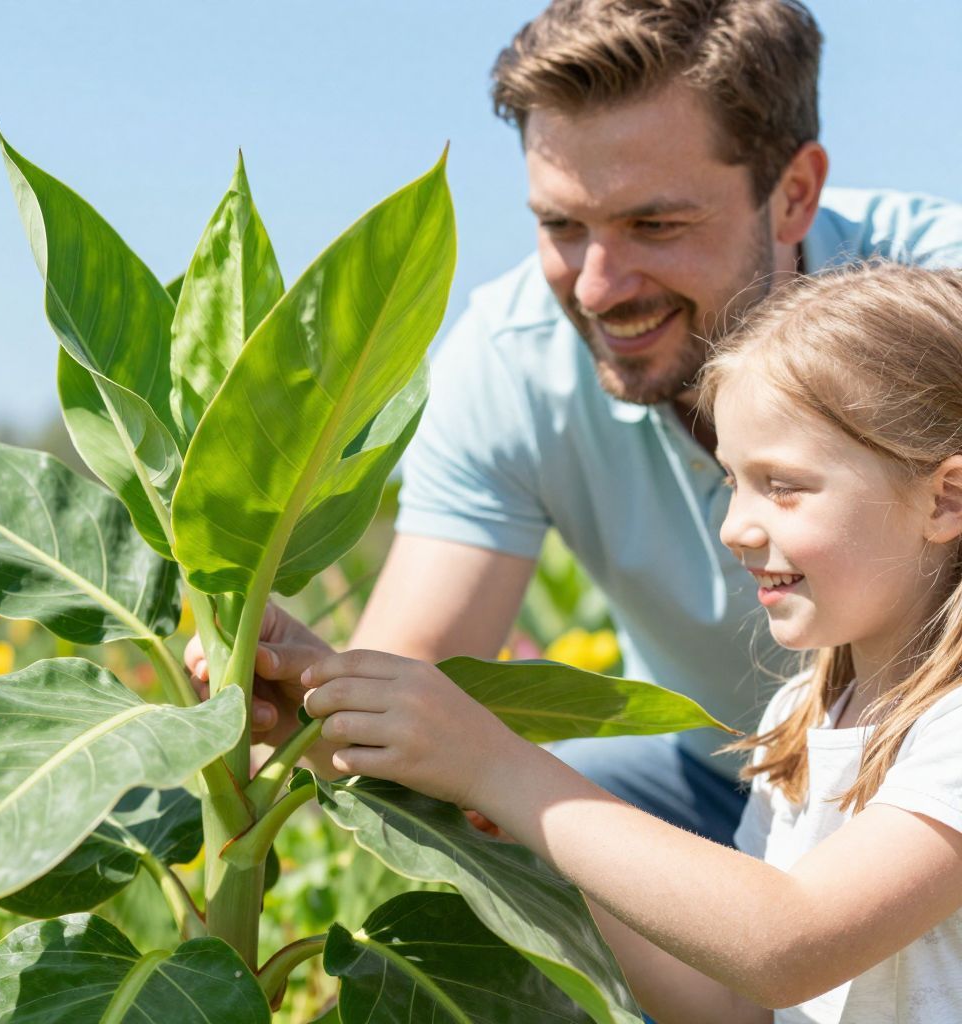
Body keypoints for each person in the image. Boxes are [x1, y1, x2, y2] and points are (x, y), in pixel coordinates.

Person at [190, 0, 962, 846]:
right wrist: (300, 680)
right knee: (496, 826)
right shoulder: (512, 361)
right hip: (717, 778)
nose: (597, 288)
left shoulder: (935, 312)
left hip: (928, 774)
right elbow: (416, 690)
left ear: (794, 195)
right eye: (560, 226)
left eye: (654, 224)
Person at [302, 263, 962, 1021]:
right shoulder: (806, 716)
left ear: (944, 499)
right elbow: (729, 999)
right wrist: (538, 839)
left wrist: (498, 767)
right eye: (733, 483)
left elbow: (787, 945)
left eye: (783, 486)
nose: (736, 528)